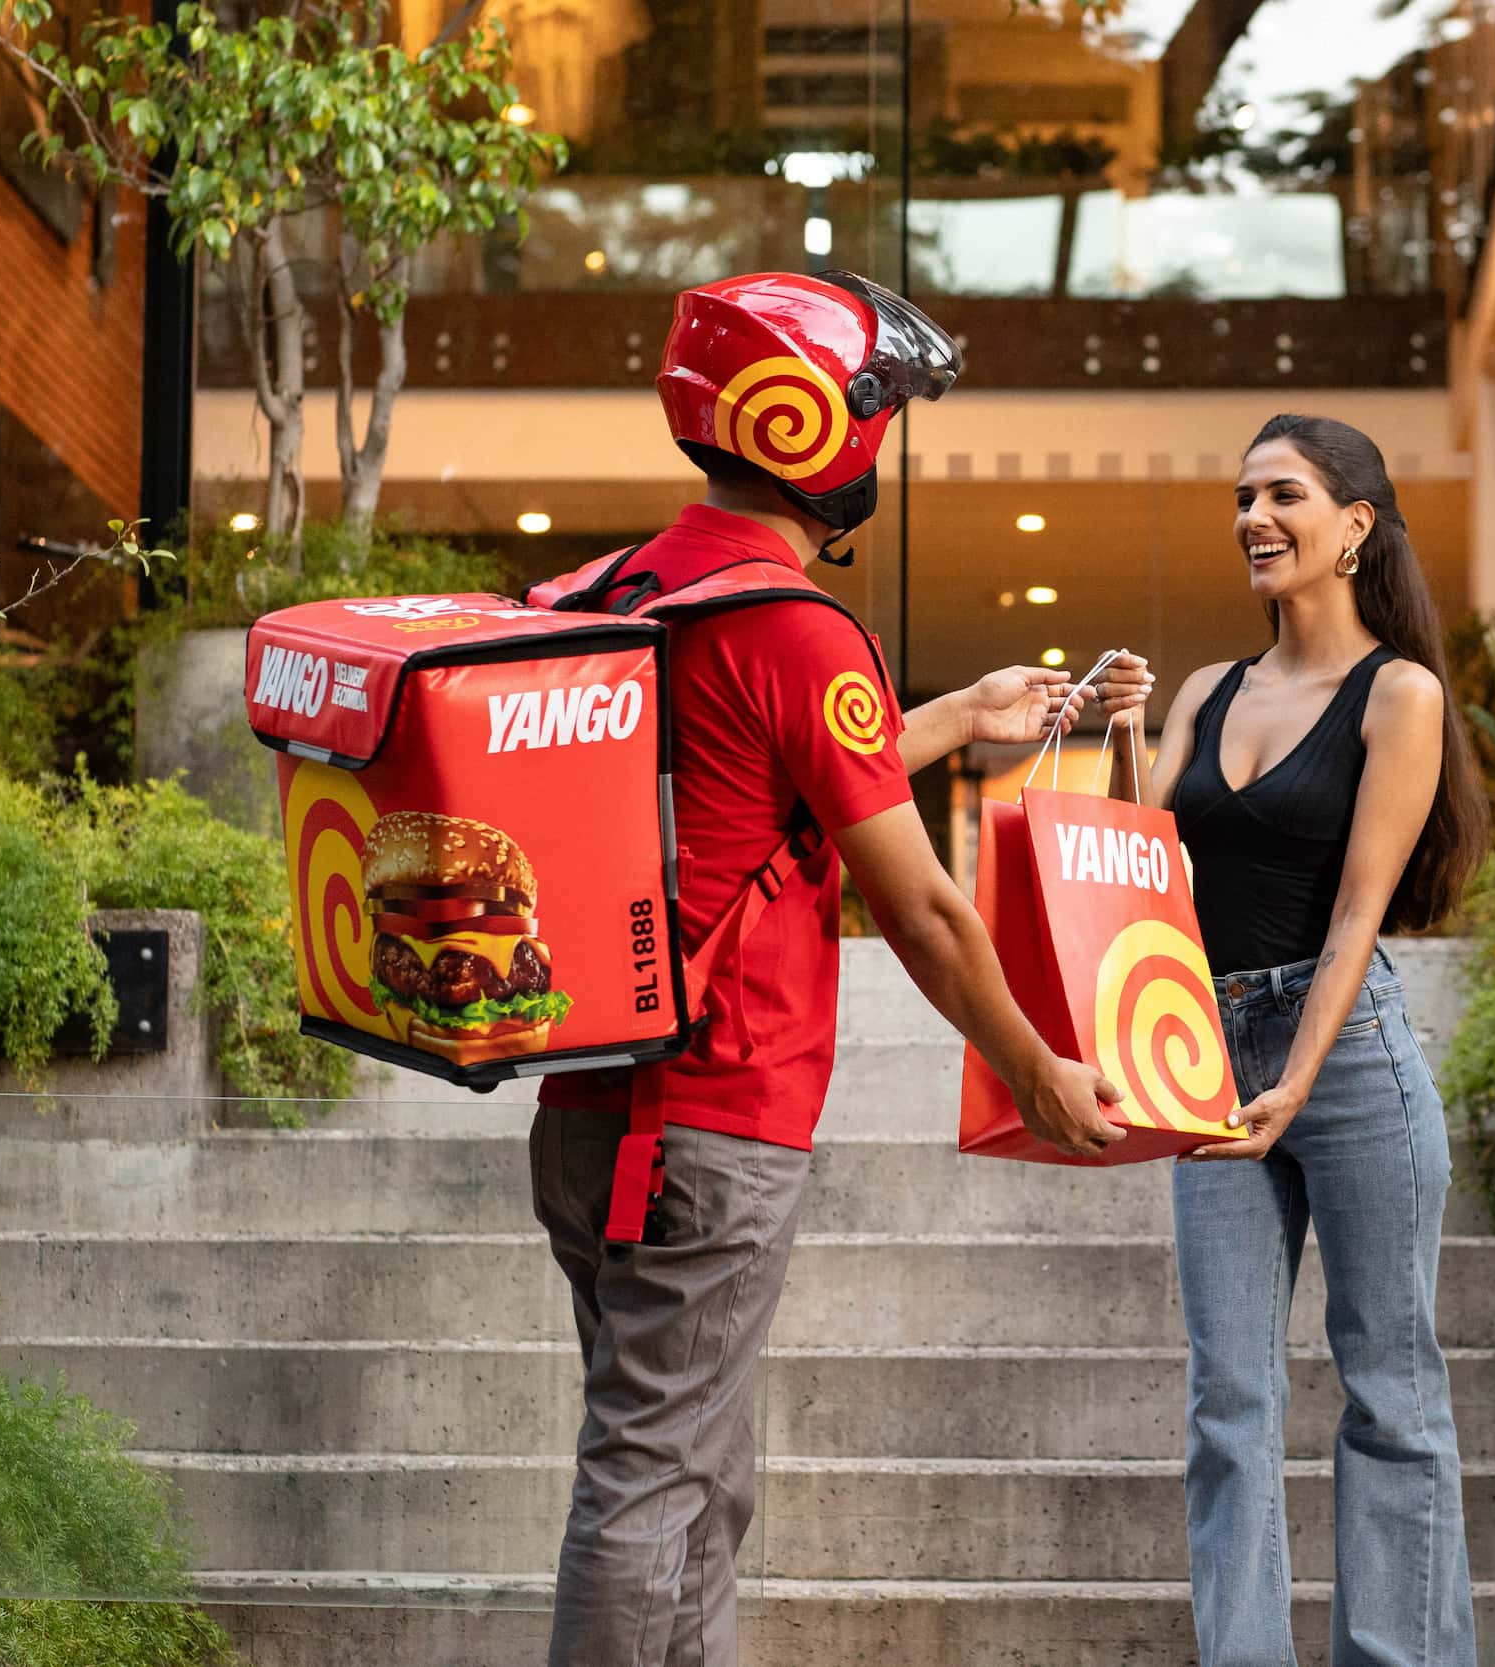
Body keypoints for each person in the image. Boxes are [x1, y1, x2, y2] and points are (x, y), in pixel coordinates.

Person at [527, 269, 1149, 1667]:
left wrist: (952, 714)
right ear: (821, 431)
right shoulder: (802, 632)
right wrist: (1032, 1061)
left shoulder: (619, 592)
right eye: (882, 415)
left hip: (592, 1107)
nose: (889, 442)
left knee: (692, 1467)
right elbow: (921, 905)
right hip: (712, 1116)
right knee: (651, 1476)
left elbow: (756, 787)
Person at [1109, 414, 1491, 1667]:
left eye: (1283, 494)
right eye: (1241, 497)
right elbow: (1137, 868)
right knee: (1229, 1397)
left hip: (1349, 1055)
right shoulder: (1208, 692)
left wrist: (1299, 1076)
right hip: (1204, 1049)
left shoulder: (1400, 693)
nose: (1253, 518)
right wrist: (1121, 730)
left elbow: (1356, 910)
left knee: (1389, 1386)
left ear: (1355, 527)